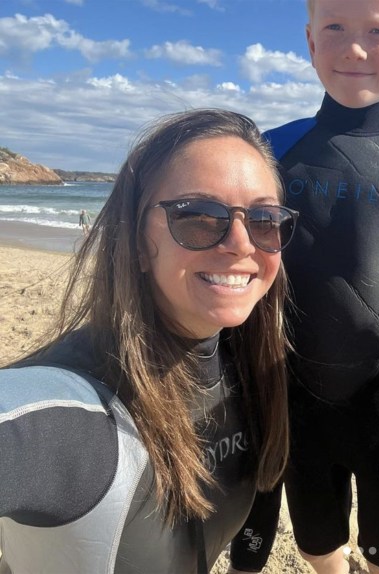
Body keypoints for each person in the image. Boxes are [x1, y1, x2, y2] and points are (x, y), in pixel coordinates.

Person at [0, 109, 299, 574]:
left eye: (263, 219)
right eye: (199, 216)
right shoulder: (73, 409)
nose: (241, 243)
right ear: (137, 241)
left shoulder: (254, 368)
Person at [229, 1, 379, 573]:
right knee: (316, 540)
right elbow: (238, 260)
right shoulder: (268, 152)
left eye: (377, 32)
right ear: (311, 42)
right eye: (334, 28)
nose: (353, 48)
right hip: (292, 394)